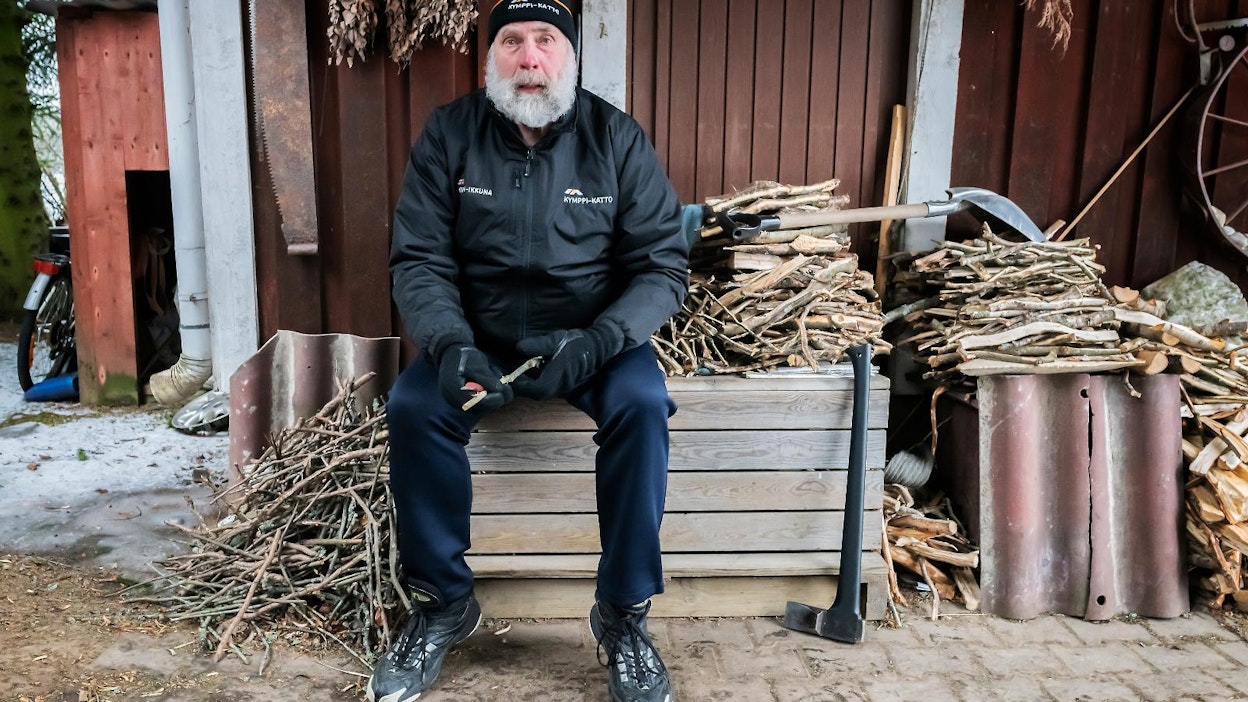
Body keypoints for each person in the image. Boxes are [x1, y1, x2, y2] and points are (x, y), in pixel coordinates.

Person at [368, 1, 689, 700]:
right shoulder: (450, 135)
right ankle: (443, 603)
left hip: (590, 339)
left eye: (546, 41)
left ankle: (624, 613)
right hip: (477, 340)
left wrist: (601, 339)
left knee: (641, 403)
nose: (529, 57)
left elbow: (663, 267)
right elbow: (417, 260)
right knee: (413, 408)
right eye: (512, 42)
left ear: (570, 58)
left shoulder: (617, 140)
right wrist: (449, 343)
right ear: (493, 60)